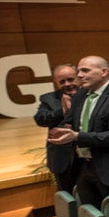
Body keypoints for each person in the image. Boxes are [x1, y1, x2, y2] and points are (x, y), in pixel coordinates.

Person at [48, 56, 109, 208]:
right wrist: (61, 131)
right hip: (83, 168)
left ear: (103, 72)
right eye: (79, 70)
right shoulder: (81, 95)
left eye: (85, 70)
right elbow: (68, 122)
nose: (79, 75)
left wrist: (76, 136)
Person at [34, 64, 79, 193]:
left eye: (71, 79)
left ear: (78, 77)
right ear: (56, 82)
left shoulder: (89, 95)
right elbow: (40, 119)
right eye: (62, 81)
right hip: (62, 159)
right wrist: (62, 111)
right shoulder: (49, 99)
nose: (67, 84)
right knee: (67, 197)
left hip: (88, 158)